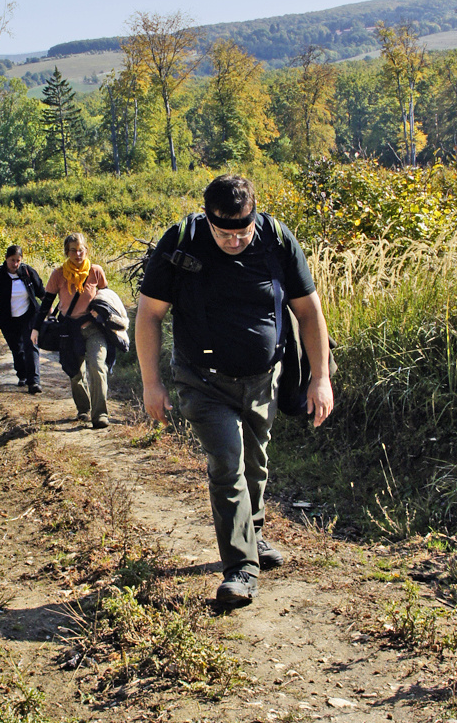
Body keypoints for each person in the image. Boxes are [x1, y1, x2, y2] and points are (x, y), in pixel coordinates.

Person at [136, 173, 334, 605]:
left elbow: (308, 310)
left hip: (263, 379)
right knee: (227, 462)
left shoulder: (277, 241)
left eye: (242, 231)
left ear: (254, 215)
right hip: (201, 380)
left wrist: (321, 377)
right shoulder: (182, 241)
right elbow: (148, 314)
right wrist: (152, 383)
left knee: (255, 464)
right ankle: (240, 570)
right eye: (224, 232)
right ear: (208, 219)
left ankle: (253, 535)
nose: (234, 240)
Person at [32, 231, 112, 427]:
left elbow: (107, 299)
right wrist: (35, 328)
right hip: (69, 330)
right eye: (73, 250)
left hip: (93, 329)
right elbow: (46, 303)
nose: (78, 254)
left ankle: (100, 415)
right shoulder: (58, 274)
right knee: (75, 373)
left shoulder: (95, 271)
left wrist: (102, 314)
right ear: (67, 252)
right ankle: (83, 410)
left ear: (86, 250)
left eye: (81, 250)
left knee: (97, 367)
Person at [0, 244, 45, 393]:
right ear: (6, 259)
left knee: (31, 346)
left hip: (29, 316)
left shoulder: (28, 272)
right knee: (17, 349)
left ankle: (34, 382)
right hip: (7, 319)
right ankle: (22, 375)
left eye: (18, 260)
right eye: (12, 260)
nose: (15, 264)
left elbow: (40, 291)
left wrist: (48, 307)